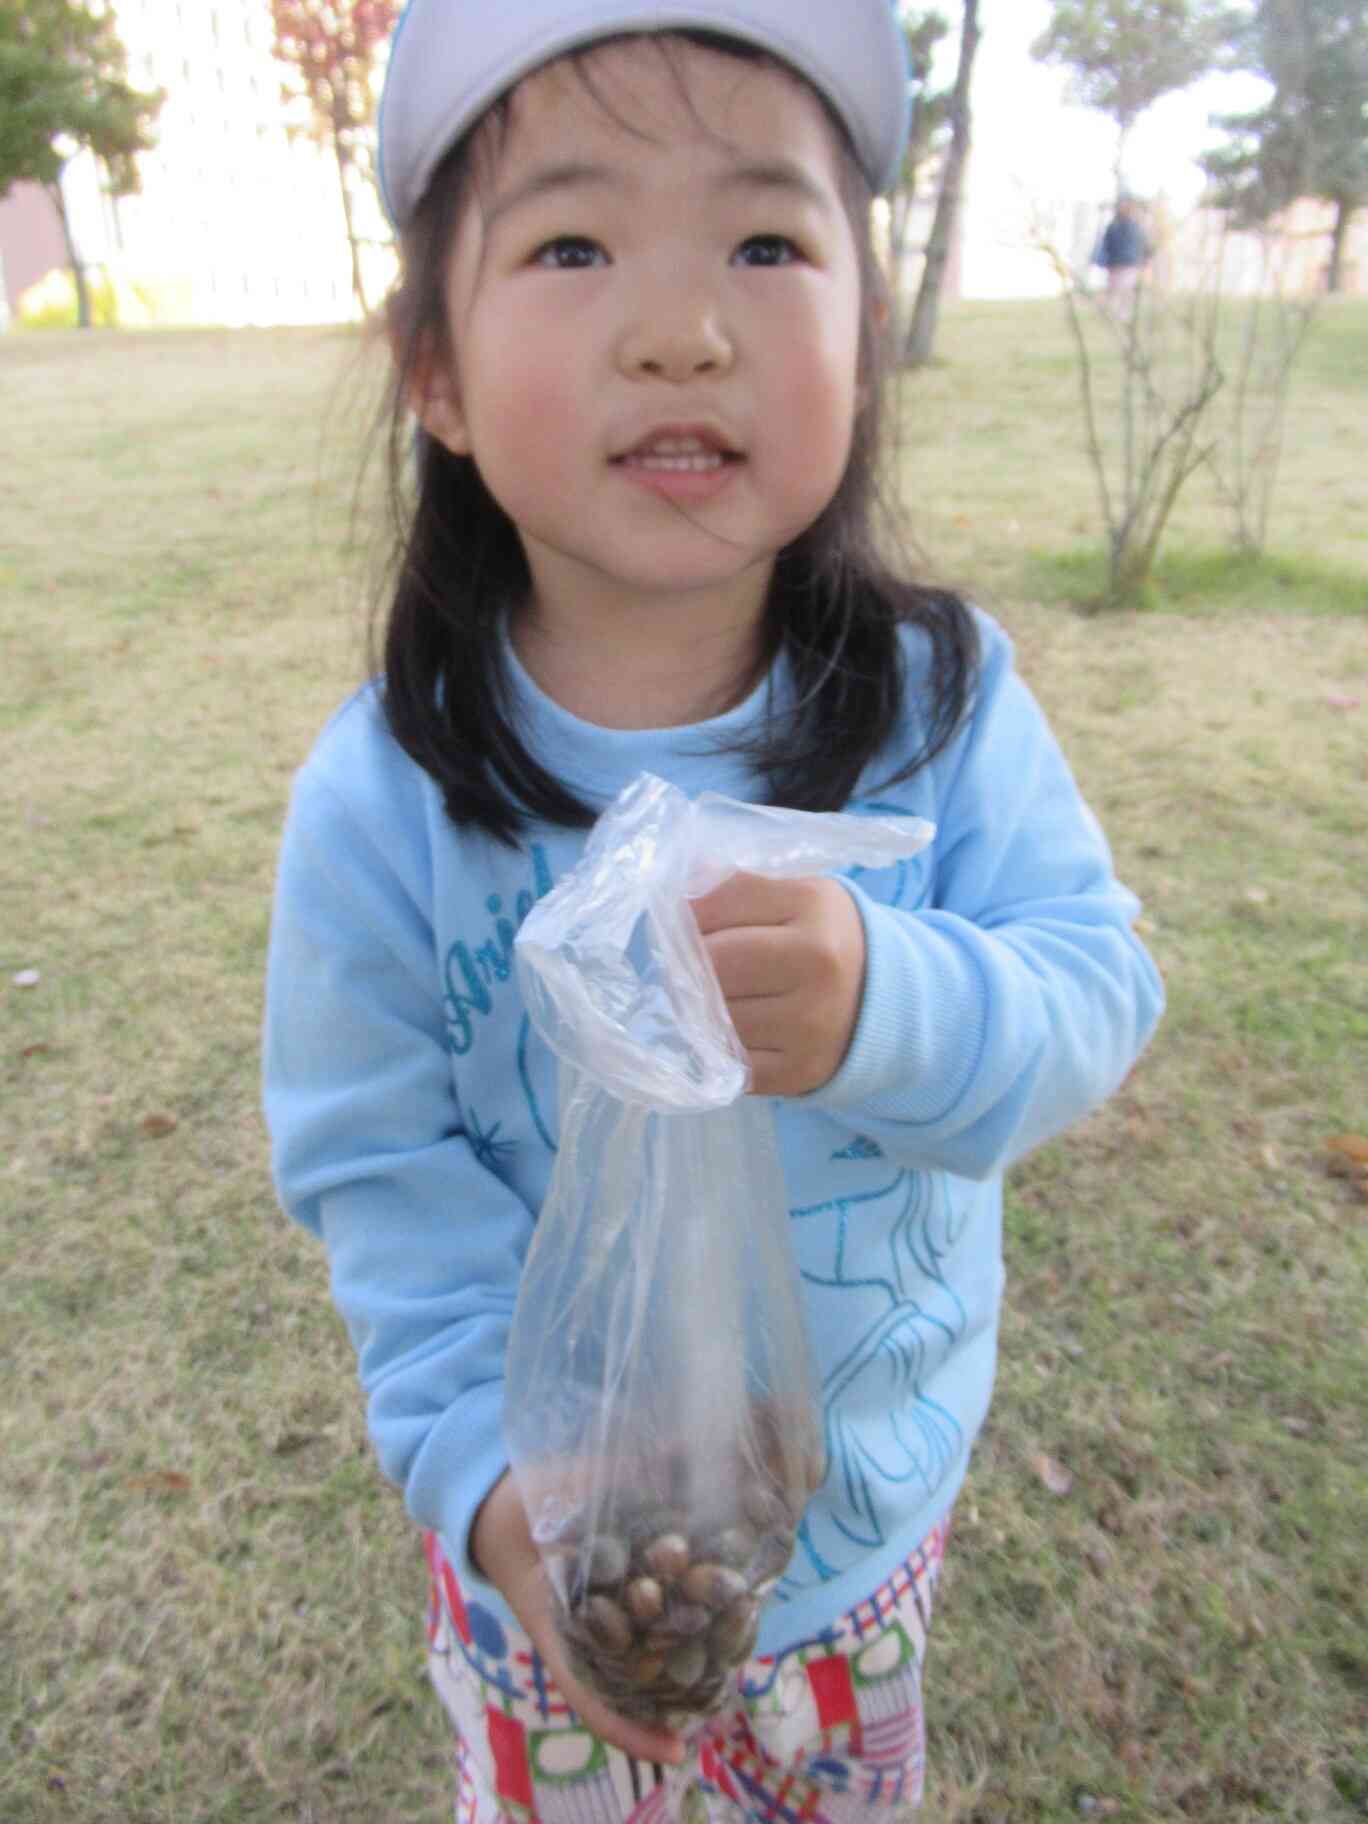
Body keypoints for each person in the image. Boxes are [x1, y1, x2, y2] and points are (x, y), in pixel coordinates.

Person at [263, 3, 1165, 1818]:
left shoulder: (939, 708)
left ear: (862, 327)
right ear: (430, 367)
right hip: (566, 1561)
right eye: (573, 243)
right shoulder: (379, 807)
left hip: (865, 1542)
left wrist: (879, 1005)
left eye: (764, 242)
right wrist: (508, 1506)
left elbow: (1091, 988)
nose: (681, 331)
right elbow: (382, 1177)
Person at [1094, 195, 1151, 310]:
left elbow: (1107, 245)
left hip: (1124, 265)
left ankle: (1117, 316)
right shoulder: (1134, 227)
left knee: (1121, 293)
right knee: (1122, 293)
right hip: (1124, 265)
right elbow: (1145, 247)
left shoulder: (1119, 227)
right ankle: (1118, 315)